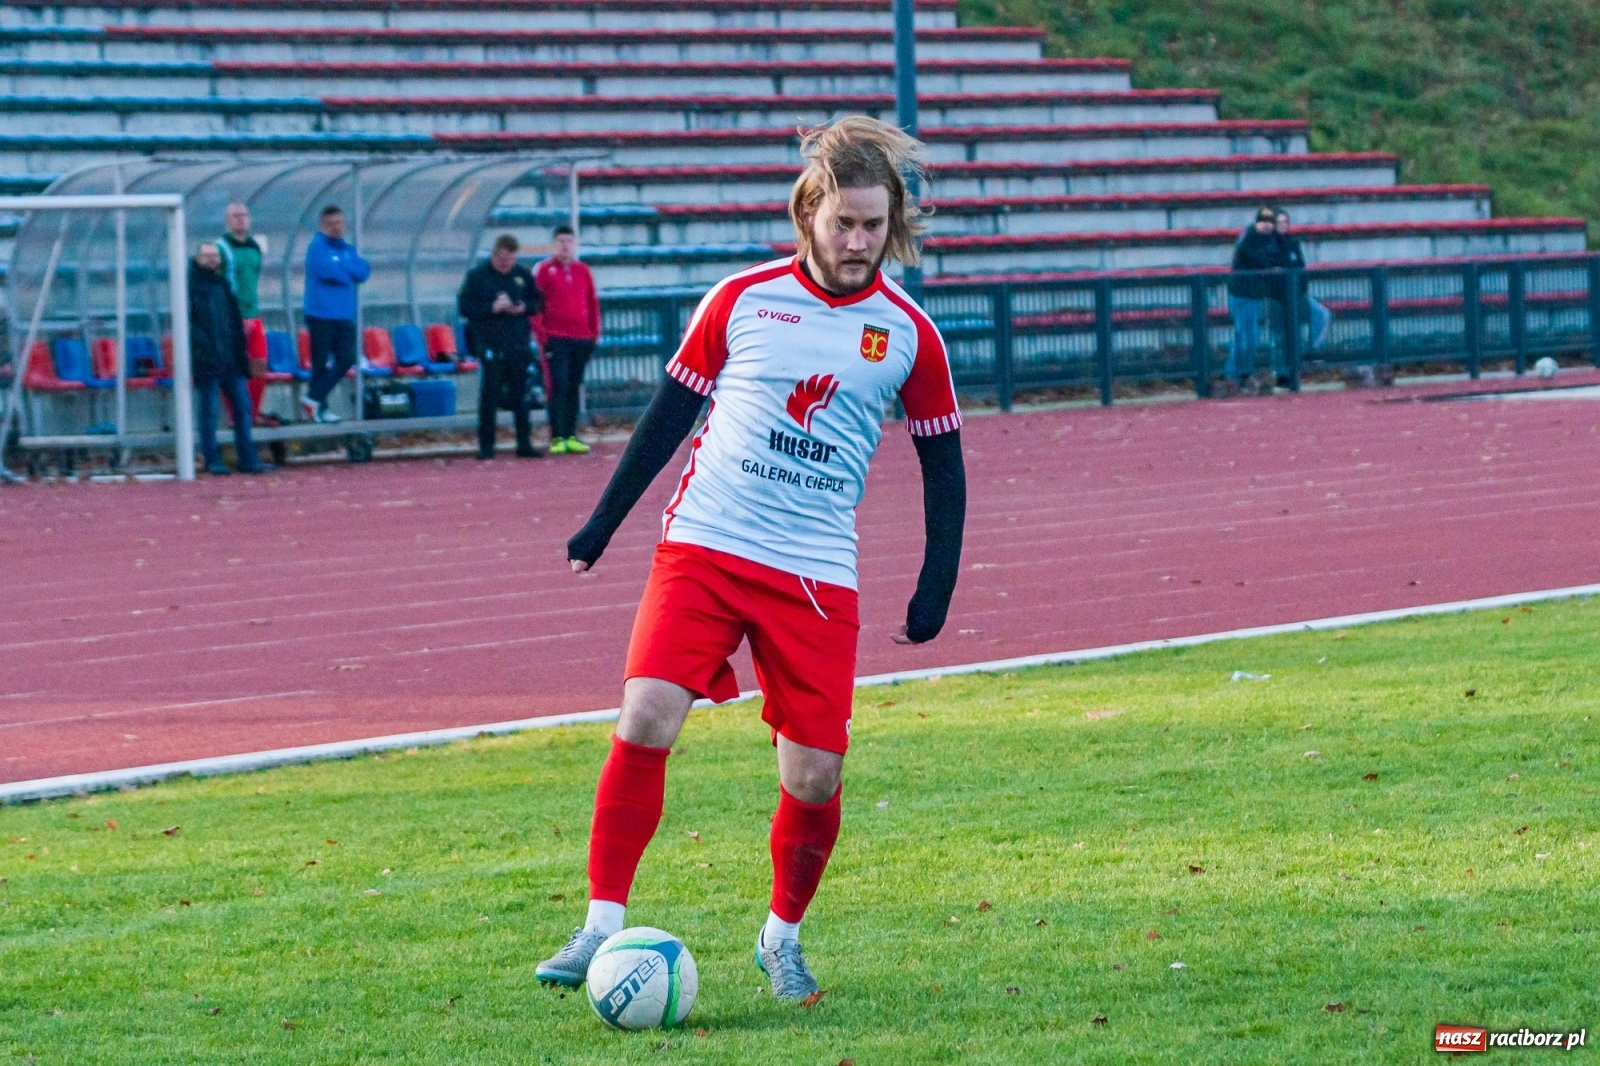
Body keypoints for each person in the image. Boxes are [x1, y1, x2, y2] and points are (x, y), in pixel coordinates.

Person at [535, 116, 967, 1001]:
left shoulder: (910, 334)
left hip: (814, 571)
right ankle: (600, 926)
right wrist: (602, 524)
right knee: (646, 716)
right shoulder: (742, 299)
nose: (859, 242)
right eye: (844, 223)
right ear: (809, 214)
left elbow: (944, 465)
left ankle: (781, 938)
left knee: (815, 773)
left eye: (874, 226)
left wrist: (935, 591)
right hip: (705, 546)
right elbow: (668, 417)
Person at [458, 233, 544, 460]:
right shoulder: (478, 276)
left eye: (511, 259)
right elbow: (465, 307)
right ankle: (486, 446)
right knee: (490, 396)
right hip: (490, 344)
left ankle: (524, 443)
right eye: (503, 259)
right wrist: (492, 308)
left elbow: (538, 302)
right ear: (495, 254)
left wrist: (523, 307)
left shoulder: (522, 275)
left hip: (518, 344)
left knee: (521, 395)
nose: (507, 264)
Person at [188, 243, 272, 475]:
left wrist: (239, 350)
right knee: (210, 411)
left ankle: (248, 459)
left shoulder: (222, 284)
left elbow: (234, 320)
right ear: (197, 258)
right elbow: (192, 326)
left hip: (230, 360)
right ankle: (212, 459)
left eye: (215, 255)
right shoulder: (191, 286)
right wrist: (203, 350)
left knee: (243, 408)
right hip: (208, 361)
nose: (213, 259)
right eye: (207, 256)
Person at [533, 224, 601, 455]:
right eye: (561, 241)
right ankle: (557, 436)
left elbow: (592, 303)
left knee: (573, 386)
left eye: (569, 241)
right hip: (556, 338)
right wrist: (543, 335)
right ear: (554, 244)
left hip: (581, 338)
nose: (565, 246)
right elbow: (536, 305)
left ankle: (571, 434)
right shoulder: (544, 270)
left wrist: (593, 334)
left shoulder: (583, 270)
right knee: (558, 385)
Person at [301, 205, 369, 424]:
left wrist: (343, 267)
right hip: (320, 315)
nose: (336, 227)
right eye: (331, 224)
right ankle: (319, 408)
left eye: (339, 223)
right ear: (323, 225)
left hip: (344, 315)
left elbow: (363, 271)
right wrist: (347, 270)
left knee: (347, 358)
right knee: (319, 364)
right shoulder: (316, 247)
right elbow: (329, 272)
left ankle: (313, 398)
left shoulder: (347, 249)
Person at [216, 201, 275, 427]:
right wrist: (233, 316)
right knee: (232, 367)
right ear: (227, 221)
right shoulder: (221, 248)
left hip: (253, 315)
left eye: (244, 215)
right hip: (232, 318)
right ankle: (235, 416)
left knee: (259, 364)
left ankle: (253, 412)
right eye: (235, 215)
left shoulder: (253, 247)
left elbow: (251, 284)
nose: (241, 218)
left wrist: (251, 313)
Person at [1225, 206, 1278, 396]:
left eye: (1269, 222)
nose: (1266, 225)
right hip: (1241, 295)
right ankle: (1233, 376)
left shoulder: (1268, 239)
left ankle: (1243, 375)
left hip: (1254, 296)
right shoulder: (1249, 237)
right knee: (1243, 337)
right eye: (1263, 222)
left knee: (1251, 338)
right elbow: (1259, 260)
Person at [1272, 209, 1332, 353]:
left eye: (1285, 222)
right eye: (1279, 222)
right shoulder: (1268, 246)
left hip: (1297, 296)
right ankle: (1281, 356)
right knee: (1283, 327)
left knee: (1322, 314)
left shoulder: (1293, 244)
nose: (1283, 225)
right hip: (1276, 300)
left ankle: (1311, 351)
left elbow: (1301, 269)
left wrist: (1301, 292)